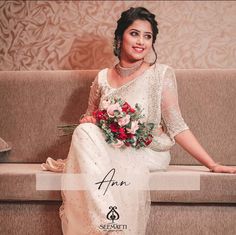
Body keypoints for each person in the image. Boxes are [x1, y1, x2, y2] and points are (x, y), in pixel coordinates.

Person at [43, 6, 236, 235]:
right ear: (119, 37)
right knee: (83, 131)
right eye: (134, 33)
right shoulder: (102, 78)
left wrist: (212, 164)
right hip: (110, 148)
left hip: (147, 151)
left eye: (148, 36)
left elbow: (177, 126)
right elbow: (90, 117)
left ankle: (109, 229)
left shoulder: (159, 75)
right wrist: (92, 120)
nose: (141, 41)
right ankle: (109, 226)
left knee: (105, 151)